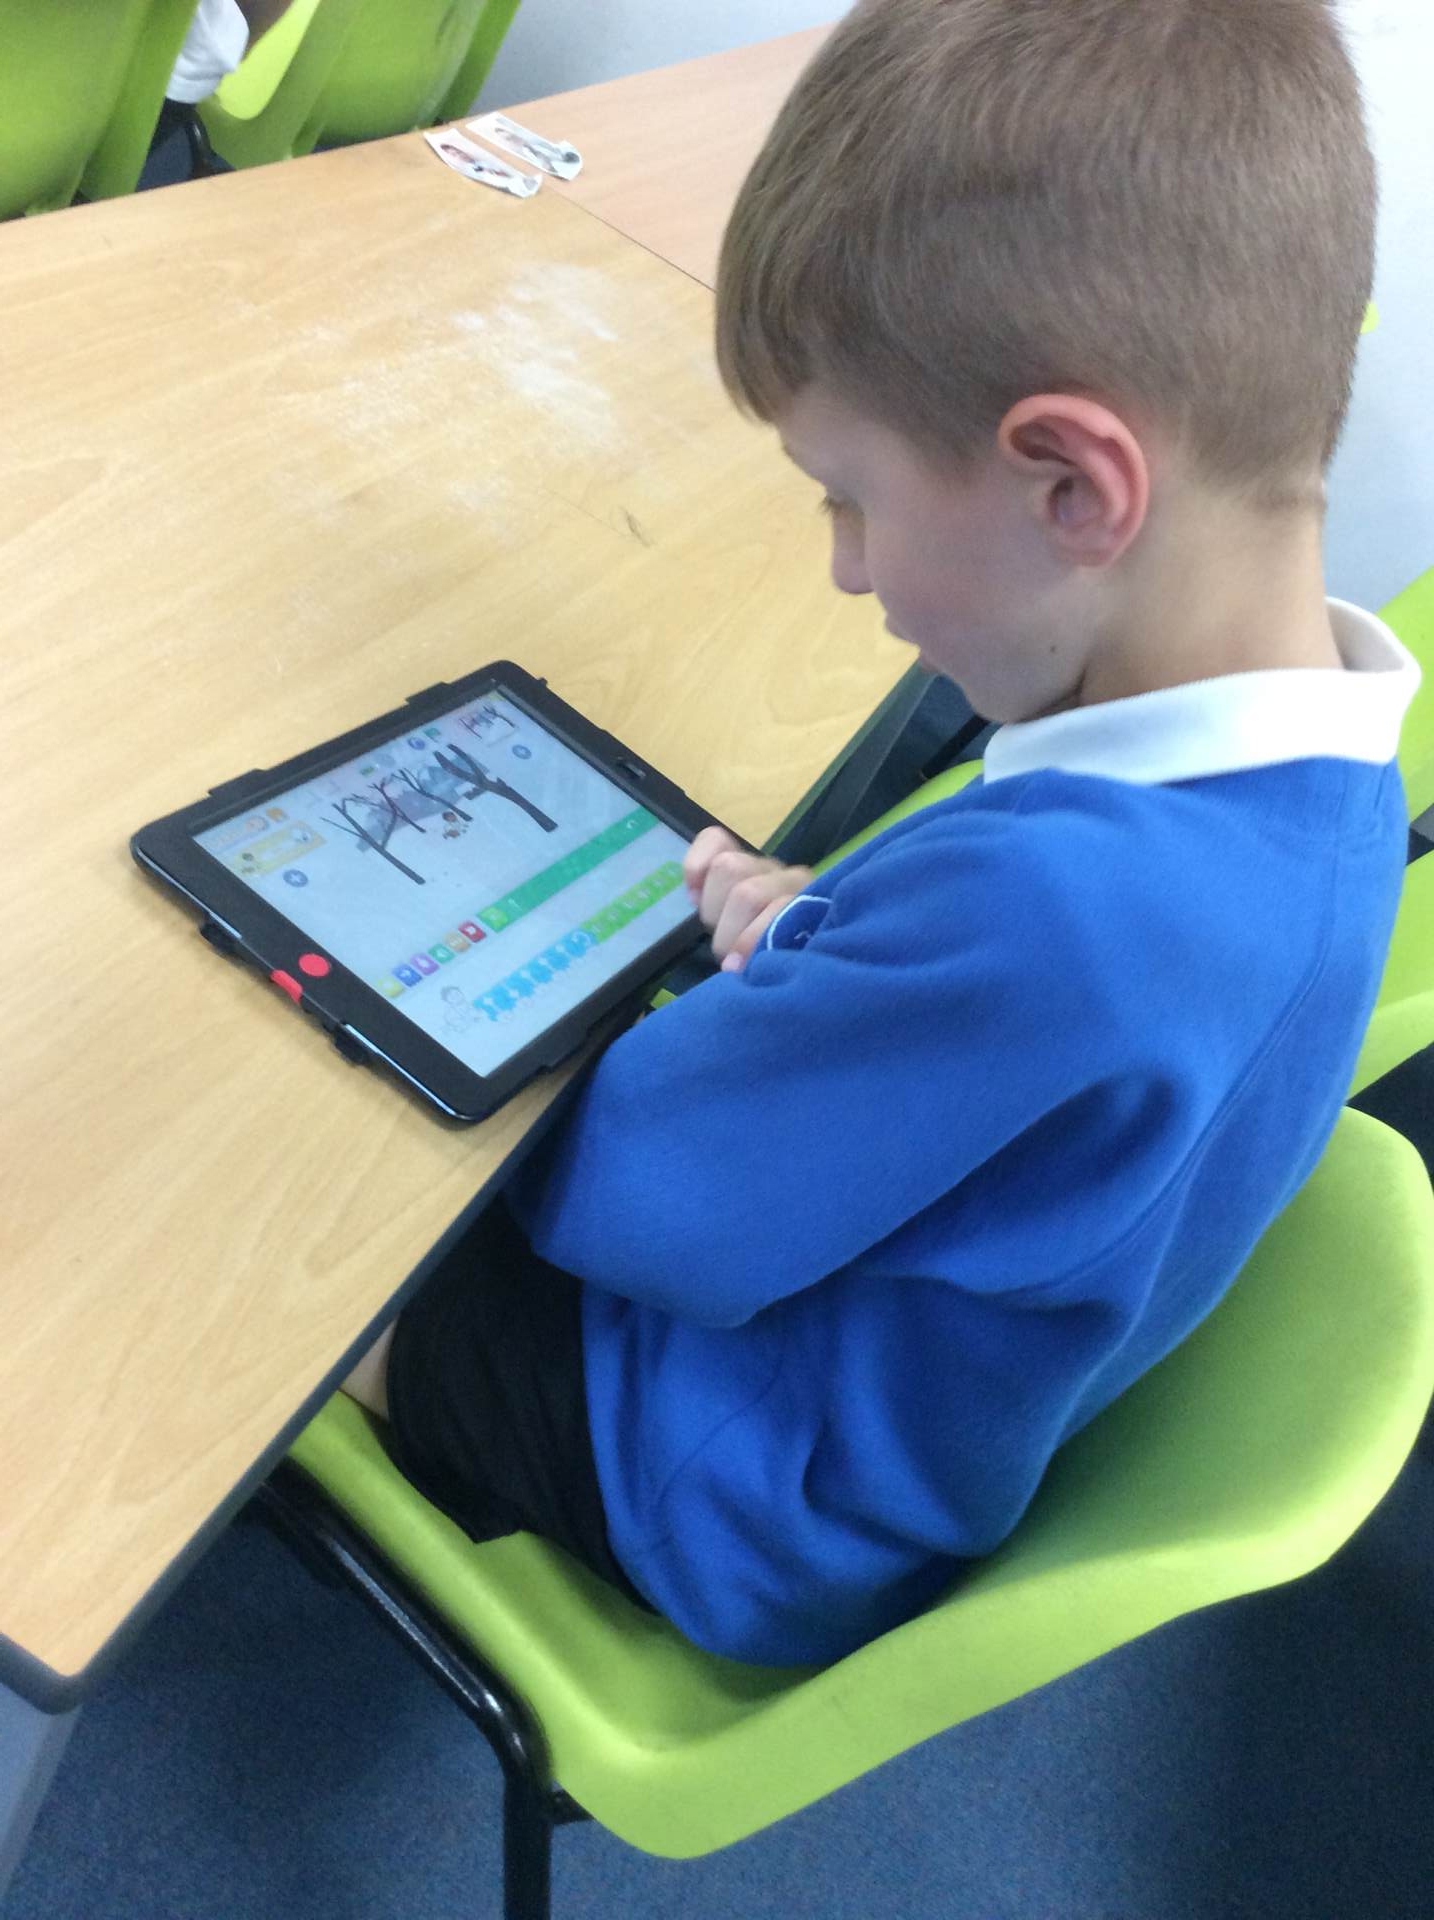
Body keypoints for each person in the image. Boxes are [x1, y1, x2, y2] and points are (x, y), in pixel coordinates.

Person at [344, 0, 1420, 1667]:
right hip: (894, 1424)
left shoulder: (1066, 911)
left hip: (719, 1476)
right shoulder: (1327, 785)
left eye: (848, 496)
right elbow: (1025, 1065)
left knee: (287, 1226)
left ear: (1072, 486)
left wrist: (722, 1010)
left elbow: (624, 1203)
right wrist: (822, 945)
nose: (846, 568)